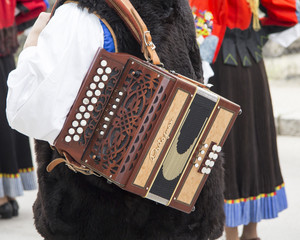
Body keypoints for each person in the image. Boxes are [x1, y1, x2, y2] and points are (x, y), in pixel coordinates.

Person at [6, 0, 226, 239]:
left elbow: (27, 110)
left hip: (99, 216)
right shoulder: (175, 5)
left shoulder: (79, 14)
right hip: (178, 215)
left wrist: (30, 49)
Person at [189, 0, 299, 239]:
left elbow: (201, 15)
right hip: (250, 59)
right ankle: (250, 232)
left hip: (224, 63)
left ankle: (235, 233)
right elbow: (286, 11)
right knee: (253, 138)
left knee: (232, 141)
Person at [0, 0, 48, 219]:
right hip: (3, 47)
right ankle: (6, 195)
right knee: (4, 116)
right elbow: (35, 5)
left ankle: (4, 196)